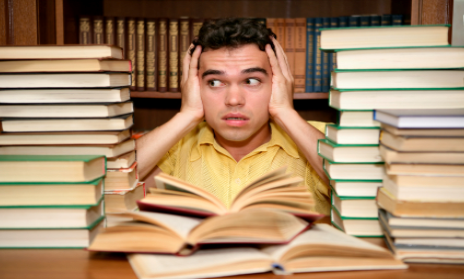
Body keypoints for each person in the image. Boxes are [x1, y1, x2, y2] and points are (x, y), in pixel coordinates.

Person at [136, 18, 330, 214]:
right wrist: (187, 115)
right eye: (215, 82)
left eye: (252, 80)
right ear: (194, 87)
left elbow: (357, 191)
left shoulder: (319, 141)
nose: (234, 100)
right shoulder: (174, 146)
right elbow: (110, 183)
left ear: (278, 82)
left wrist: (286, 112)